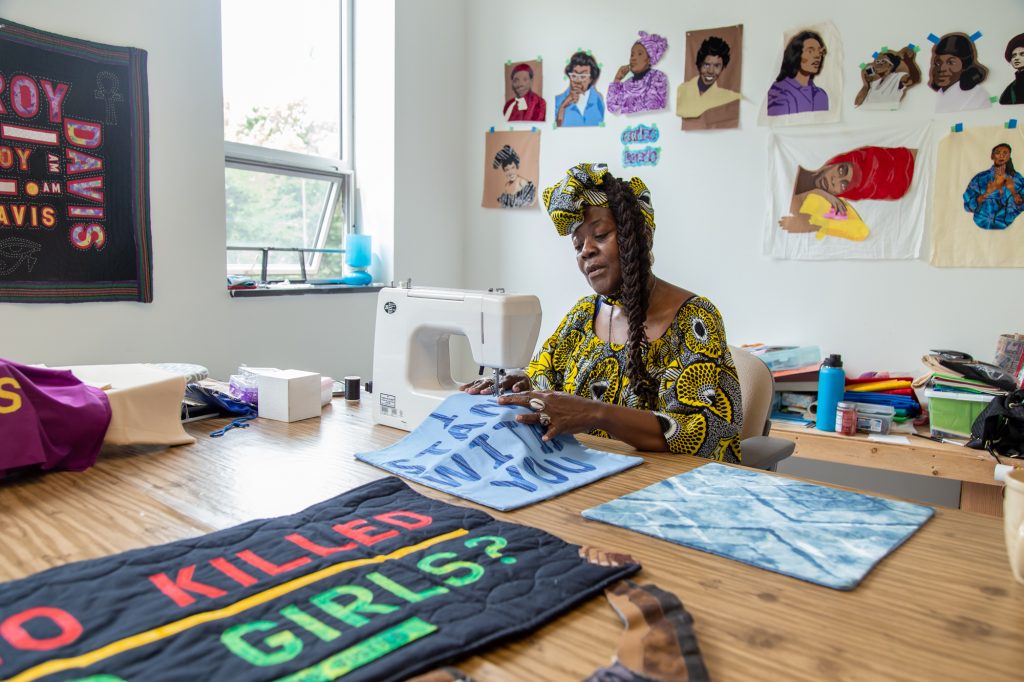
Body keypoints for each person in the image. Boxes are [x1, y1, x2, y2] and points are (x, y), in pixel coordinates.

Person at [461, 163, 743, 462]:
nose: (586, 251)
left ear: (642, 236)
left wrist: (596, 414)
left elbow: (703, 433)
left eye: (600, 235)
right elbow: (547, 386)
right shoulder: (582, 317)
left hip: (669, 486)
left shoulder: (695, 320)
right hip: (590, 477)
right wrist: (520, 387)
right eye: (578, 245)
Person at [778, 146, 916, 241]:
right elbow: (793, 206)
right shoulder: (800, 159)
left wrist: (820, 196)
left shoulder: (827, 203)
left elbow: (861, 231)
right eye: (841, 170)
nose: (834, 181)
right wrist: (820, 194)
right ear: (836, 162)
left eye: (843, 185)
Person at [675, 36, 741, 126]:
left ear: (722, 68)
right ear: (699, 65)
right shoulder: (682, 89)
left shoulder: (730, 98)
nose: (710, 71)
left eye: (717, 66)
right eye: (706, 65)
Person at [766, 30, 829, 116]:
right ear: (796, 55)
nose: (817, 56)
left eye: (819, 52)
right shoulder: (778, 92)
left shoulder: (821, 95)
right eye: (810, 51)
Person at [963, 143, 1024, 230]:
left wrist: (1013, 190)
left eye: (1005, 153)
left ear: (1009, 155)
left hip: (1009, 229)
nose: (1001, 156)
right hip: (980, 227)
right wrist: (987, 193)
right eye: (998, 152)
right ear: (992, 156)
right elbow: (967, 206)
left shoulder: (1017, 179)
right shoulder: (980, 178)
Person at [607, 31, 670, 115]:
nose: (633, 58)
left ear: (649, 59)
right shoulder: (627, 84)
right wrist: (617, 79)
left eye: (639, 54)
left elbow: (655, 105)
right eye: (632, 55)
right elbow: (612, 108)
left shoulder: (657, 77)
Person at [929, 33, 991, 113]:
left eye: (951, 62)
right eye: (938, 63)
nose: (941, 69)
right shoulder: (940, 94)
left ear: (965, 66)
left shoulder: (977, 96)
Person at [855, 48, 921, 109]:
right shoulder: (874, 82)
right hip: (867, 114)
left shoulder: (897, 77)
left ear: (891, 66)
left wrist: (908, 60)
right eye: (877, 61)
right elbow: (857, 103)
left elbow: (914, 79)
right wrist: (865, 85)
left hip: (889, 113)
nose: (879, 64)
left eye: (883, 61)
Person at [555, 51, 605, 127]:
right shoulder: (558, 101)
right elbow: (554, 131)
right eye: (574, 75)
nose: (577, 80)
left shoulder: (599, 99)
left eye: (583, 76)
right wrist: (562, 107)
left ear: (591, 78)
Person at [999, 33, 1024, 105]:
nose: (1016, 58)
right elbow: (1003, 101)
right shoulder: (1012, 87)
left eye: (1022, 54)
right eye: (1014, 55)